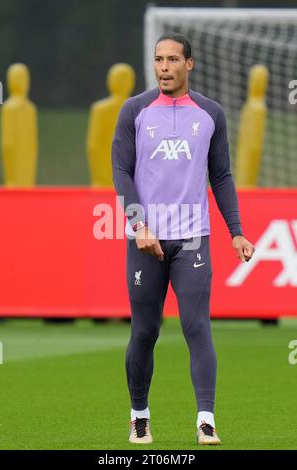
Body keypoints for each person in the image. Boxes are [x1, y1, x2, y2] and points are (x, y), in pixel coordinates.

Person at [111, 33, 255, 446]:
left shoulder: (210, 113)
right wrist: (139, 226)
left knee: (197, 327)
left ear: (188, 64)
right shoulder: (134, 110)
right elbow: (121, 172)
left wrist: (237, 231)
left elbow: (222, 176)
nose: (164, 67)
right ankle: (139, 416)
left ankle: (205, 420)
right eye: (159, 60)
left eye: (173, 59)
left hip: (192, 238)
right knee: (144, 332)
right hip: (146, 240)